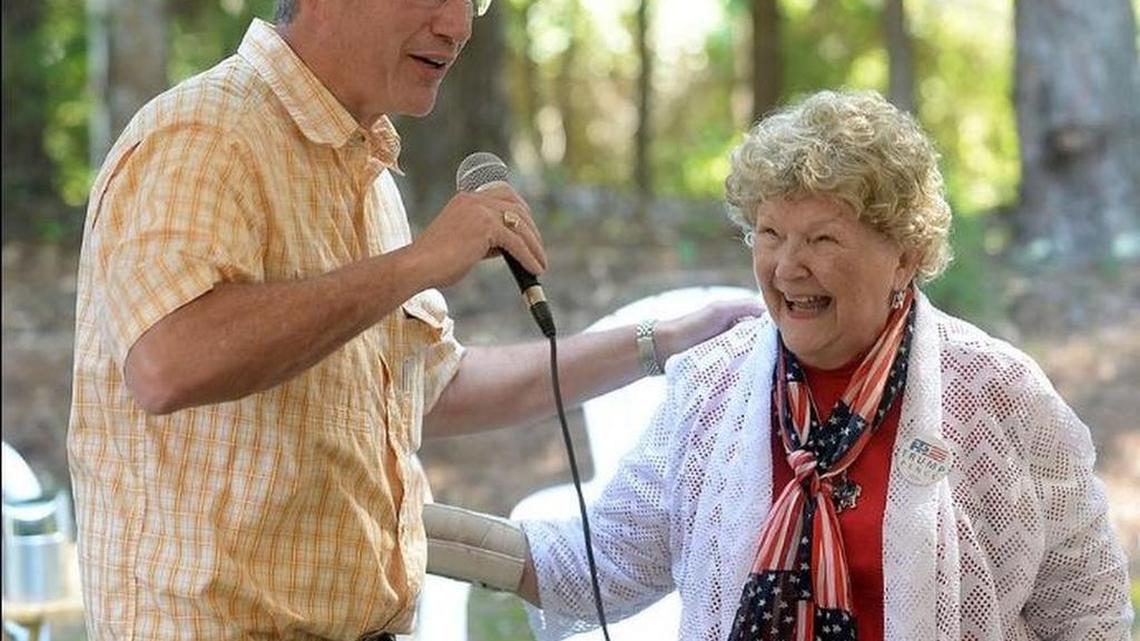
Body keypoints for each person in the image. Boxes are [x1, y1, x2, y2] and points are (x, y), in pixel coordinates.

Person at [65, 0, 762, 639]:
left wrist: (660, 342)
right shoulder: (203, 134)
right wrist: (418, 263)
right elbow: (167, 362)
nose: (459, 25)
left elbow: (435, 385)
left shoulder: (365, 166)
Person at [505, 90, 1133, 640]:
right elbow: (596, 566)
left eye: (822, 239)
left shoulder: (999, 395)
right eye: (770, 233)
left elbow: (1090, 618)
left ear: (905, 257)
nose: (786, 267)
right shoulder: (711, 387)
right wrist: (425, 529)